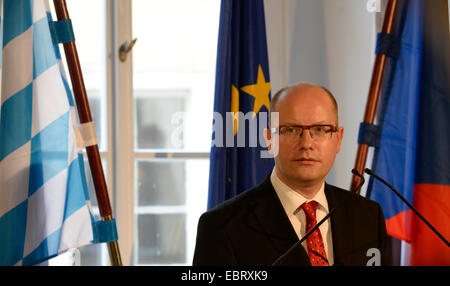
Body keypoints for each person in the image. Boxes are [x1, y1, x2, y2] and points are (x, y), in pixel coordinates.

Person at [193, 82, 391, 266]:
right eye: (290, 130)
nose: (306, 144)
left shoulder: (369, 216)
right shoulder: (222, 226)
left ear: (338, 139)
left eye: (320, 129)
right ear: (270, 139)